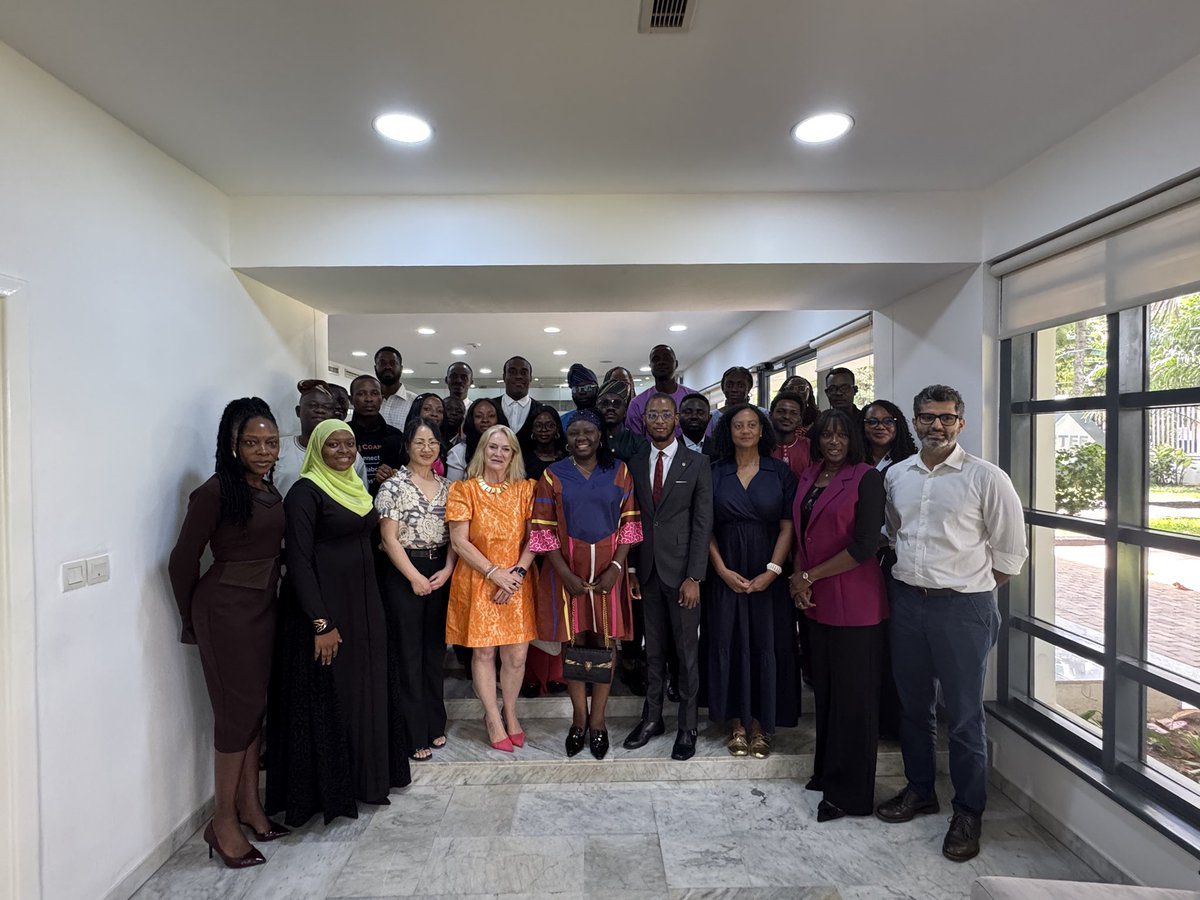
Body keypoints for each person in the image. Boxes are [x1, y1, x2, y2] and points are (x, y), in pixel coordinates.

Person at [874, 384, 1027, 864]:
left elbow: (1009, 554)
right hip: (907, 603)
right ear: (915, 423)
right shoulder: (897, 475)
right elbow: (893, 534)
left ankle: (968, 811)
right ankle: (921, 790)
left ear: (960, 422)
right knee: (913, 708)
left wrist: (966, 587)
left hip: (964, 608)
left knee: (963, 716)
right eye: (926, 417)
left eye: (945, 417)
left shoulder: (987, 477)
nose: (935, 425)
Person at [266, 419, 408, 826]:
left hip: (365, 605)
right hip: (328, 609)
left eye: (349, 444)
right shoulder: (305, 492)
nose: (344, 451)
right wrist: (321, 623)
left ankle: (368, 780)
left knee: (367, 689)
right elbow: (298, 561)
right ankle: (335, 789)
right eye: (333, 445)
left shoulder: (356, 488)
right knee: (337, 695)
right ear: (316, 449)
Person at [169, 397, 288, 868]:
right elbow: (181, 561)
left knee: (254, 710)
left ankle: (249, 806)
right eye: (252, 442)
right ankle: (221, 824)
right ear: (233, 445)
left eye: (271, 442)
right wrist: (190, 619)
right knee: (235, 718)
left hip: (261, 608)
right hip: (226, 611)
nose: (263, 450)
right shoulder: (217, 491)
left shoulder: (264, 487)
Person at [790, 408, 887, 822]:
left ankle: (850, 794)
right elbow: (802, 531)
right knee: (827, 694)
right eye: (827, 435)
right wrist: (800, 578)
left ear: (853, 440)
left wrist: (807, 575)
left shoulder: (866, 477)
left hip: (855, 603)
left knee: (854, 701)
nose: (833, 442)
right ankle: (826, 773)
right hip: (816, 602)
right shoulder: (810, 475)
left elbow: (866, 544)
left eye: (841, 436)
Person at [530, 410, 642, 760]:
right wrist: (564, 575)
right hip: (567, 573)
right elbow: (543, 530)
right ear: (567, 438)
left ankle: (599, 721)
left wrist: (615, 568)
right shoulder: (552, 475)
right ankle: (578, 719)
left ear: (599, 435)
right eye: (575, 431)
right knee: (574, 643)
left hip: (609, 572)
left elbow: (630, 525)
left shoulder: (619, 471)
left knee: (604, 643)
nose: (582, 437)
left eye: (588, 431)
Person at [705, 404, 799, 759]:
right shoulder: (714, 472)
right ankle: (737, 724)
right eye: (738, 425)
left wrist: (772, 571)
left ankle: (761, 724)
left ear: (763, 431)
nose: (745, 430)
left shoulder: (781, 473)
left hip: (768, 572)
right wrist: (721, 570)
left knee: (765, 642)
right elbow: (705, 527)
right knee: (727, 640)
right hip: (725, 570)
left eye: (752, 425)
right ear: (728, 431)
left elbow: (788, 526)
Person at [623, 394, 713, 761]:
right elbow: (629, 519)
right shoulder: (634, 461)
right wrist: (630, 569)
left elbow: (702, 522)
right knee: (653, 652)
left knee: (686, 652)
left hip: (682, 576)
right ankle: (652, 718)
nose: (659, 420)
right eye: (652, 415)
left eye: (665, 414)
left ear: (675, 418)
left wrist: (695, 576)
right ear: (644, 420)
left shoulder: (697, 462)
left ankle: (687, 726)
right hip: (646, 571)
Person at [445, 425, 538, 752]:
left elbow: (535, 538)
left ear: (514, 454)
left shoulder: (527, 489)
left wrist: (515, 574)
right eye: (492, 447)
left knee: (516, 654)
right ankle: (491, 717)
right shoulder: (463, 490)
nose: (498, 454)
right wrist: (494, 572)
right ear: (482, 450)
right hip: (478, 577)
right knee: (484, 652)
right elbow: (459, 541)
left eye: (506, 449)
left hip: (517, 579)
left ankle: (510, 713)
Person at [376, 417, 457, 761]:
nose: (426, 449)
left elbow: (457, 535)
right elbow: (387, 538)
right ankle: (413, 731)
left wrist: (448, 568)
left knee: (434, 651)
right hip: (403, 571)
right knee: (408, 653)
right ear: (407, 445)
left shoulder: (448, 486)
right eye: (419, 442)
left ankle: (435, 722)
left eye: (433, 443)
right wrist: (413, 576)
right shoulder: (393, 485)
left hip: (439, 570)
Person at [860, 398, 919, 741]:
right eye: (872, 421)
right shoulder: (852, 461)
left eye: (887, 421)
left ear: (899, 427)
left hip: (890, 561)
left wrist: (880, 539)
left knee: (894, 643)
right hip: (856, 560)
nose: (879, 427)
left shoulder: (908, 466)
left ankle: (894, 722)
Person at [275, 380, 368, 496]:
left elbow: (362, 495)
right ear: (298, 411)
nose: (320, 410)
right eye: (313, 405)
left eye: (327, 407)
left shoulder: (347, 454)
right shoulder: (278, 448)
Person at [626, 345, 696, 437]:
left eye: (667, 358)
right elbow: (635, 444)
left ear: (676, 364)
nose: (661, 362)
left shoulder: (694, 399)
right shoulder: (637, 404)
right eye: (656, 359)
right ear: (650, 366)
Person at [347, 375, 402, 489]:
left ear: (381, 398)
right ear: (351, 399)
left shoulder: (396, 436)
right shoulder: (343, 434)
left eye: (374, 393)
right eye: (361, 394)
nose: (369, 399)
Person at [446, 397, 506, 481]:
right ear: (471, 420)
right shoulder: (459, 451)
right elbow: (453, 489)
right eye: (478, 416)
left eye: (491, 416)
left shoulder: (508, 449)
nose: (485, 420)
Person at [597, 377, 647, 463]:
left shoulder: (638, 442)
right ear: (597, 409)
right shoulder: (591, 441)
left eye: (616, 403)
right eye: (605, 403)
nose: (610, 408)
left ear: (625, 411)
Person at [769, 390, 813, 482]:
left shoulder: (810, 446)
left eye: (794, 413)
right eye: (781, 411)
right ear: (770, 415)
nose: (787, 417)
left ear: (800, 419)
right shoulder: (760, 446)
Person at [493, 355, 536, 445]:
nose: (518, 376)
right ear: (504, 377)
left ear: (530, 378)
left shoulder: (540, 411)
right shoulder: (491, 407)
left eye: (524, 373)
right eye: (512, 372)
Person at [524, 403, 568, 482]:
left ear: (557, 428)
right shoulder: (523, 460)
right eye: (538, 425)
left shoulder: (567, 459)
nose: (544, 430)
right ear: (532, 429)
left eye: (549, 425)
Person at [375, 346, 418, 428]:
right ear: (375, 368)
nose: (388, 367)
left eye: (393, 363)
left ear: (401, 368)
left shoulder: (414, 402)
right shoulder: (369, 402)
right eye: (382, 363)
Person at [560, 363, 599, 431]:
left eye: (587, 388)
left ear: (597, 389)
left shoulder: (607, 418)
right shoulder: (562, 421)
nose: (582, 392)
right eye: (576, 389)